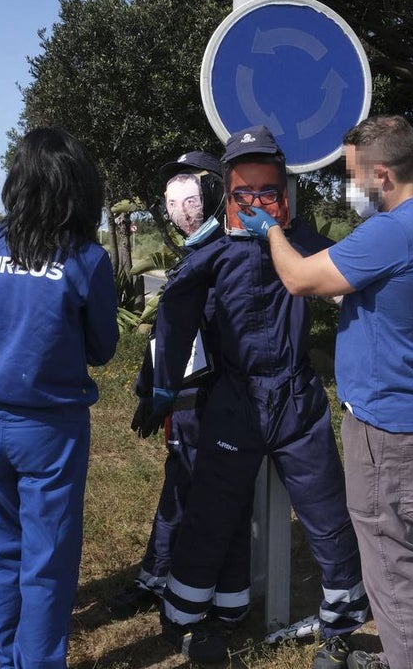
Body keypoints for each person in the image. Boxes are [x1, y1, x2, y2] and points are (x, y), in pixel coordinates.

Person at [240, 115, 413, 669]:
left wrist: (270, 228)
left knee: (392, 570)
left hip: (383, 428)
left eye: (355, 176)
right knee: (397, 557)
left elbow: (298, 278)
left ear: (384, 175)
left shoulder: (392, 232)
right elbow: (390, 302)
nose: (353, 187)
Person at [151, 126, 367, 668]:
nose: (256, 205)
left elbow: (360, 284)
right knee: (211, 512)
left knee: (327, 512)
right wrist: (159, 389)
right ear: (226, 194)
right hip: (234, 400)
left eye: (267, 193)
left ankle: (341, 626)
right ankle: (190, 621)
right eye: (243, 194)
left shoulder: (307, 244)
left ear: (286, 194)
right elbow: (174, 320)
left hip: (296, 400)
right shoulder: (211, 253)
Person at [0, 126, 119, 669]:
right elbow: (102, 348)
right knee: (46, 559)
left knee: (1, 553)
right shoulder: (86, 260)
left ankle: (3, 657)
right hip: (50, 429)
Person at [108, 150, 254, 622]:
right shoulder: (195, 256)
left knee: (217, 499)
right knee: (182, 488)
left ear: (214, 195)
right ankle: (161, 579)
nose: (180, 210)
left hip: (222, 404)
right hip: (188, 402)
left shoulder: (235, 254)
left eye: (189, 198)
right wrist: (152, 385)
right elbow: (170, 334)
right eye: (173, 202)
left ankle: (210, 593)